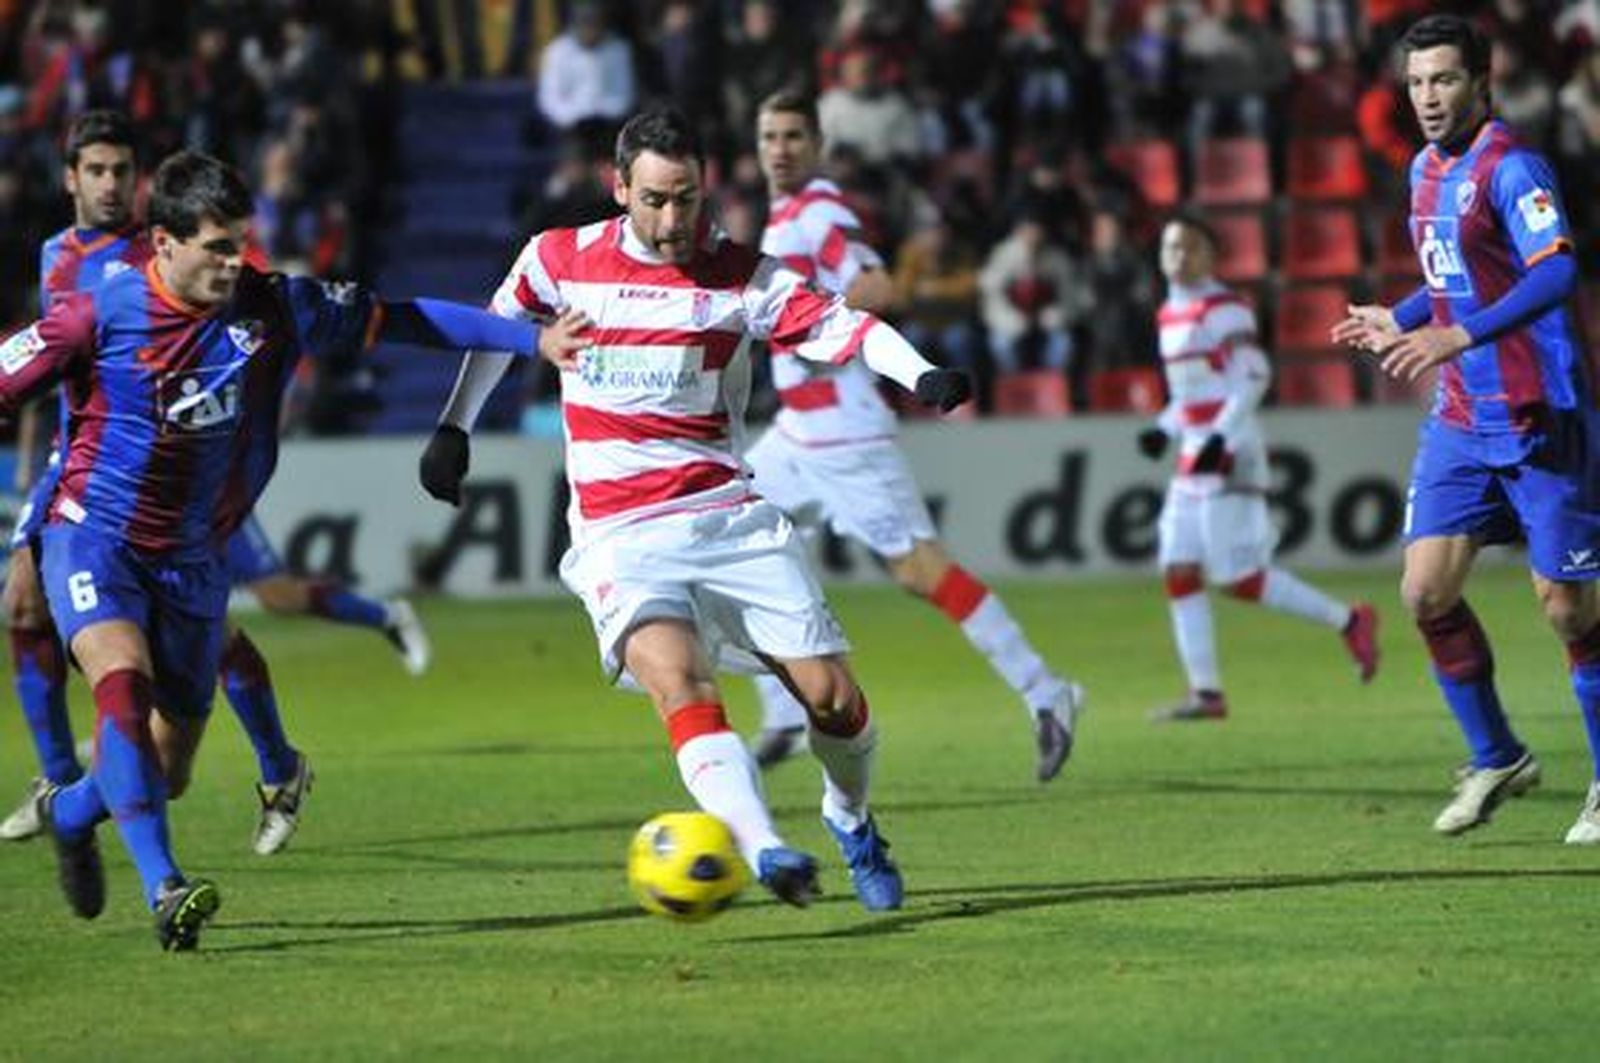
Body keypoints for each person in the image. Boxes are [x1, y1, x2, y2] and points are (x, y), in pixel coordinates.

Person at [418, 108, 972, 911]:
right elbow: (500, 332)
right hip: (617, 533)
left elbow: (843, 326)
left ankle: (848, 816)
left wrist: (919, 373)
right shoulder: (557, 259)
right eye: (653, 199)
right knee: (680, 682)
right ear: (619, 188)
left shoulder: (741, 277)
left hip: (727, 516)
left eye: (686, 199)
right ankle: (766, 846)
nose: (672, 219)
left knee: (834, 700)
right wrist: (452, 429)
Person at [0, 149, 542, 950]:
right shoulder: (96, 314)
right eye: (218, 247)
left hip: (193, 558)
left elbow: (406, 316)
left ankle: (71, 812)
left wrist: (532, 339)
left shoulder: (277, 307)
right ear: (164, 245)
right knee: (122, 687)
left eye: (240, 243)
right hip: (96, 537)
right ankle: (166, 888)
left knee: (166, 767)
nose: (236, 261)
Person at [0, 114, 431, 860]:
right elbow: (59, 364)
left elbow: (244, 330)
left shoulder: (165, 253)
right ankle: (65, 779)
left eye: (121, 170)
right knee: (25, 599)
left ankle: (276, 754)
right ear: (69, 176)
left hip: (196, 469)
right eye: (95, 169)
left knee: (245, 611)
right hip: (95, 469)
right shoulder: (56, 256)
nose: (109, 183)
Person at [745, 91, 1084, 782]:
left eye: (792, 136)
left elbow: (877, 287)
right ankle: (783, 710)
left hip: (844, 432)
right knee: (730, 528)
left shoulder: (819, 209)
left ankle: (1048, 692)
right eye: (768, 136)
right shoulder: (783, 215)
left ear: (816, 146)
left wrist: (812, 326)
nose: (779, 148)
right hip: (795, 429)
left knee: (920, 571)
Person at [1332, 15, 1600, 841]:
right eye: (1417, 83)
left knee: (1566, 611)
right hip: (1461, 417)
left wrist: (1458, 334)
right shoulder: (1422, 169)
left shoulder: (1514, 168)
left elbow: (1555, 267)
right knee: (1424, 591)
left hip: (1537, 410)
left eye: (1444, 80)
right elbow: (1453, 279)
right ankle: (1498, 756)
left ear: (1482, 83)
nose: (1428, 98)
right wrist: (1401, 313)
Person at [1140, 214, 1380, 722]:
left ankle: (1350, 620)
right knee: (1178, 569)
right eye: (1170, 248)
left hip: (1230, 451)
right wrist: (1165, 426)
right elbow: (1193, 393)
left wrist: (1219, 438)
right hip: (1194, 453)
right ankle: (1207, 694)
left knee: (1238, 577)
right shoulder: (1168, 313)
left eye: (1189, 248)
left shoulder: (1223, 309)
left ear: (1210, 257)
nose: (1178, 258)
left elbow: (1253, 378)